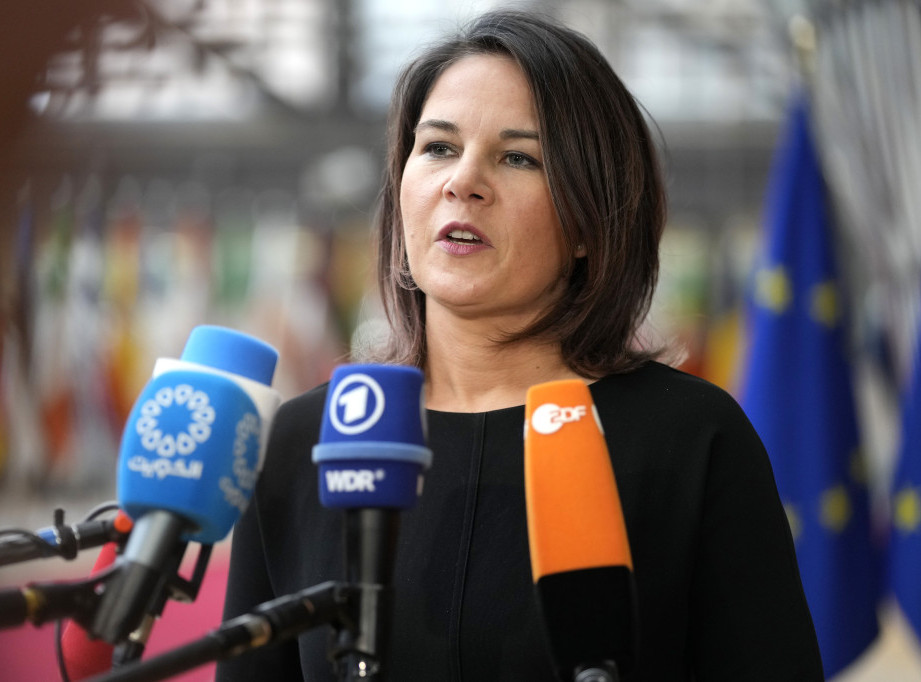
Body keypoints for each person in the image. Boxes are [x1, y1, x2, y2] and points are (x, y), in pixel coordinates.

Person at [218, 9, 824, 681]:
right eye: (438, 147)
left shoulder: (691, 439)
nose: (462, 182)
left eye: (518, 157)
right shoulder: (307, 439)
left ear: (589, 221)